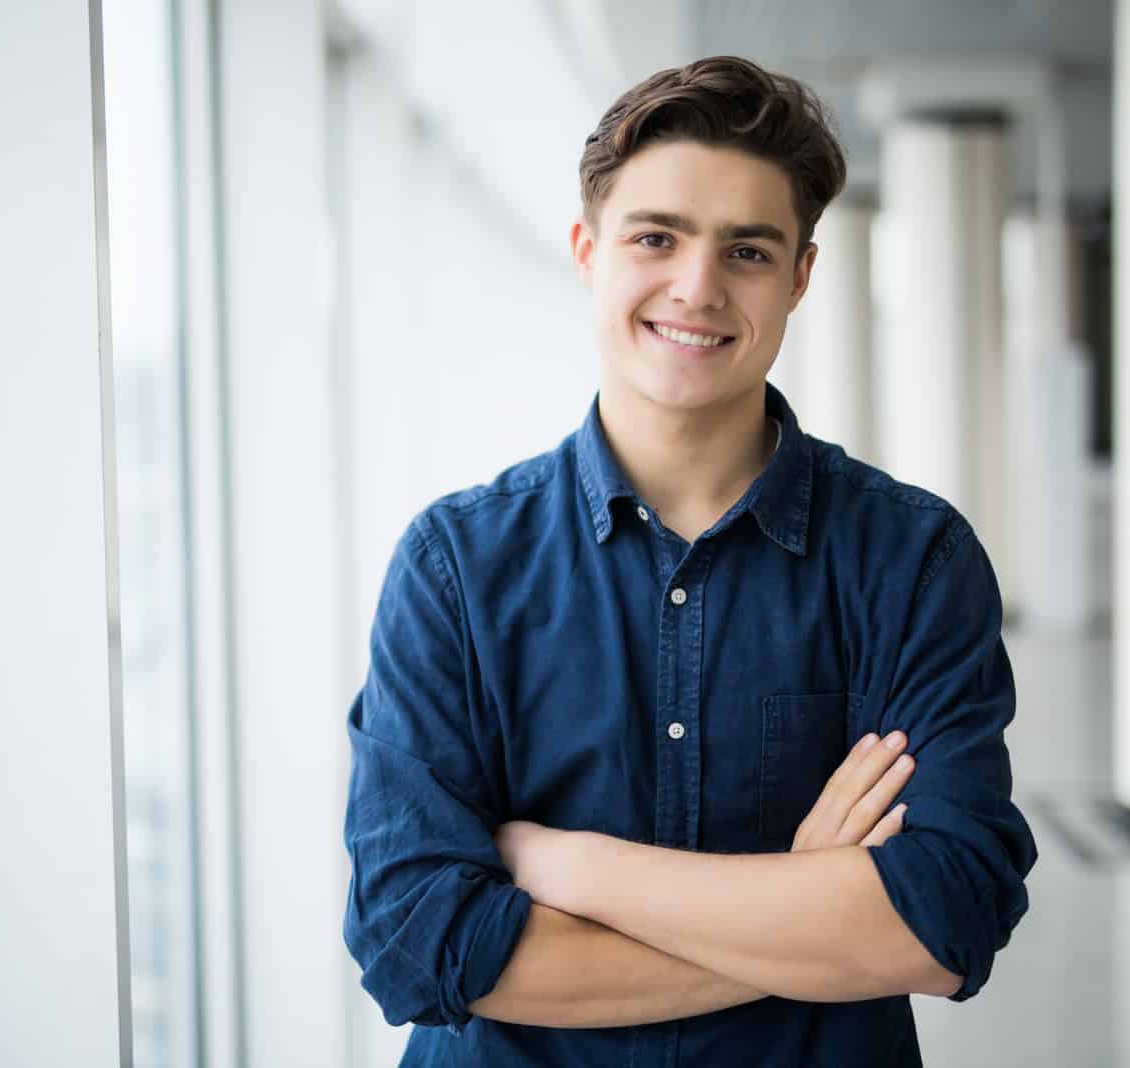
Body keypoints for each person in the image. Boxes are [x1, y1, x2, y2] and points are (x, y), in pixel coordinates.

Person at [342, 54, 1036, 1066]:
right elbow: (420, 943)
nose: (697, 287)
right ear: (587, 253)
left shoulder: (910, 558)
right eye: (655, 238)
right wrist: (808, 910)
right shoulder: (456, 565)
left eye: (746, 251)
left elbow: (946, 917)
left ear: (800, 275)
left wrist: (568, 866)